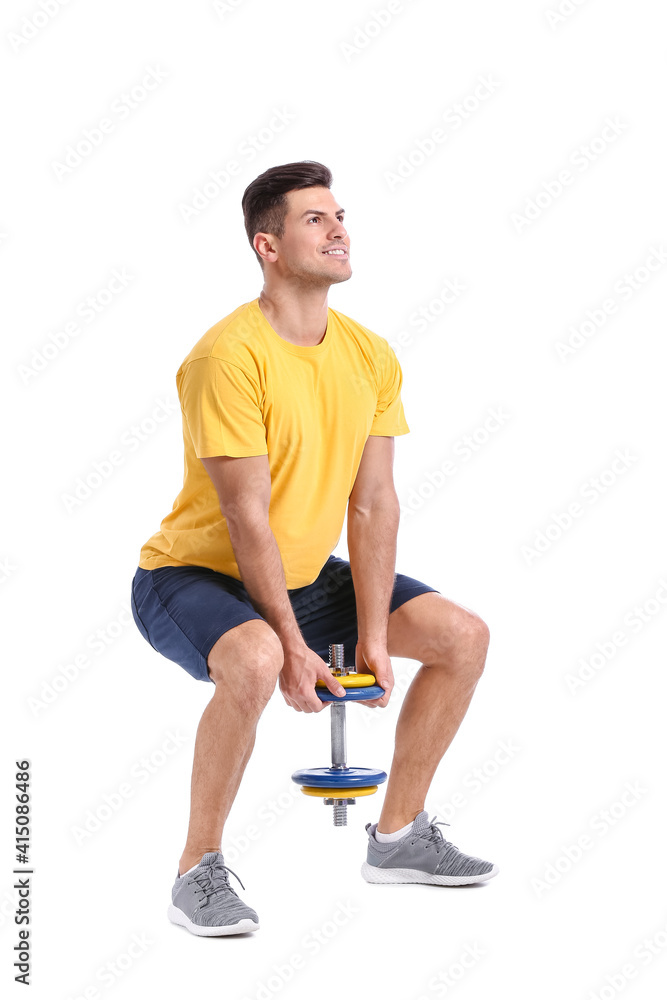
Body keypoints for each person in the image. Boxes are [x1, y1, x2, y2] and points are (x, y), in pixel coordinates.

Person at [130, 160, 498, 937]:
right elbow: (245, 519)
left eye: (340, 216)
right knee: (259, 660)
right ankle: (196, 872)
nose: (338, 230)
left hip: (302, 575)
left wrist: (369, 633)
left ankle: (397, 836)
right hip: (191, 575)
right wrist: (298, 648)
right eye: (314, 219)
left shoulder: (368, 354)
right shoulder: (226, 357)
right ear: (267, 245)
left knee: (461, 638)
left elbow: (372, 504)